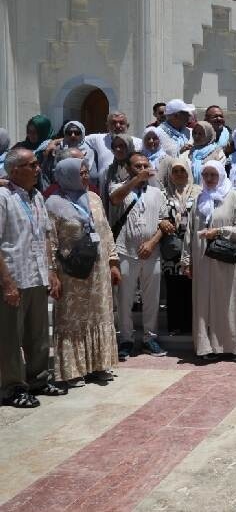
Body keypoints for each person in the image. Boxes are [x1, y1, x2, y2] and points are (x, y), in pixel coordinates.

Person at [46, 158, 121, 386]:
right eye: (81, 172)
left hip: (98, 271)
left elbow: (106, 232)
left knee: (99, 315)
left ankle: (98, 366)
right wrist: (52, 273)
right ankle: (73, 370)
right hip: (71, 272)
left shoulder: (95, 199)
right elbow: (49, 241)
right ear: (67, 174)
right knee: (72, 320)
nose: (86, 176)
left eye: (87, 172)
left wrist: (113, 261)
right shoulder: (53, 204)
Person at [0, 149, 65, 407]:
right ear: (14, 170)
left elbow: (45, 236)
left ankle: (38, 379)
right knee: (9, 337)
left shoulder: (37, 196)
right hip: (13, 278)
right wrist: (6, 283)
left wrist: (51, 270)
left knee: (37, 334)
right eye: (32, 164)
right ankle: (11, 387)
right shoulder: (4, 197)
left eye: (38, 164)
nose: (38, 168)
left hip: (36, 275)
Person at [182, 160, 236, 361]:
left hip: (226, 260)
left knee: (229, 302)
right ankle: (206, 347)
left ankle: (233, 347)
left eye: (213, 175)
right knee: (204, 305)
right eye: (206, 175)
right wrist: (186, 260)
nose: (210, 179)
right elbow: (190, 232)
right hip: (203, 261)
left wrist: (219, 231)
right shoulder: (198, 199)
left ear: (221, 175)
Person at [109, 152, 168, 359]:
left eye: (145, 165)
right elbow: (114, 200)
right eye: (137, 166)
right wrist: (135, 182)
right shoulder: (118, 187)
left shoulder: (156, 192)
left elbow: (164, 221)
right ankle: (126, 339)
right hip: (125, 250)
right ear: (128, 169)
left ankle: (150, 338)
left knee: (152, 297)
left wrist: (152, 243)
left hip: (152, 252)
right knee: (124, 298)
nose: (143, 169)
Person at [160, 158, 198, 335]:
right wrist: (162, 222)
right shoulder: (163, 193)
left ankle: (191, 324)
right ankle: (175, 325)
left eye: (182, 170)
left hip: (192, 246)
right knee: (174, 286)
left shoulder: (198, 191)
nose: (179, 174)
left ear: (188, 172)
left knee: (191, 284)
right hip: (172, 247)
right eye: (175, 171)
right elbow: (158, 215)